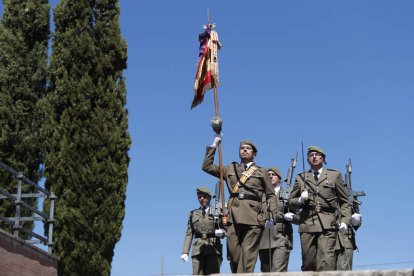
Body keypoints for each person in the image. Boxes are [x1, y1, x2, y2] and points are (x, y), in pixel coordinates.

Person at [202, 135, 277, 273]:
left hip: (254, 217)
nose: (245, 150)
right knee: (234, 255)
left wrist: (271, 215)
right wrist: (214, 144)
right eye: (242, 148)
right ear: (238, 152)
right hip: (233, 217)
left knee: (248, 255)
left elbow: (271, 195)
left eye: (248, 149)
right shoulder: (230, 168)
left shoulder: (262, 172)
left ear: (254, 154)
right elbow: (207, 167)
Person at [288, 146, 352, 271]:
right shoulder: (301, 178)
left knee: (326, 260)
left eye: (317, 155)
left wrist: (345, 221)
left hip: (328, 223)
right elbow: (290, 202)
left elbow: (345, 202)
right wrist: (300, 200)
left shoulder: (334, 175)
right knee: (308, 262)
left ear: (323, 158)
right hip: (307, 223)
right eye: (311, 155)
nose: (314, 157)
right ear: (307, 160)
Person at [259, 166, 299, 272]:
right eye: (268, 175)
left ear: (279, 179)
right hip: (263, 238)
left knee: (278, 271)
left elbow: (300, 217)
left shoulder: (287, 194)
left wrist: (292, 217)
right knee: (265, 272)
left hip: (281, 237)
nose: (270, 176)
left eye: (273, 174)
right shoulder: (261, 196)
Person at [180, 187, 224, 275]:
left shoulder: (217, 211)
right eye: (199, 197)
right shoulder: (193, 214)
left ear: (209, 197)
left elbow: (226, 228)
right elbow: (189, 233)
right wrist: (185, 252)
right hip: (197, 249)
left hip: (213, 247)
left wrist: (222, 232)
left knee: (212, 274)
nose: (201, 199)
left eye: (204, 196)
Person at [335, 200, 362, 270]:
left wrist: (356, 221)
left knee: (345, 271)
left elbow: (357, 223)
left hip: (346, 239)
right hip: (327, 239)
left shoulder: (349, 193)